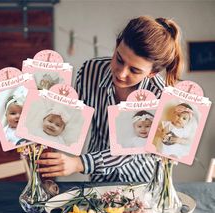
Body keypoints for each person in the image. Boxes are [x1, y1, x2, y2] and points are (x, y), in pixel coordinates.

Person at [36, 16, 184, 182]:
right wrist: (38, 115)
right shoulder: (90, 71)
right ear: (116, 45)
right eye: (119, 59)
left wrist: (79, 163)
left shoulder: (160, 94)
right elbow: (73, 116)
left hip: (142, 182)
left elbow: (132, 148)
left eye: (134, 70)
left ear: (152, 73)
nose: (121, 73)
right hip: (98, 180)